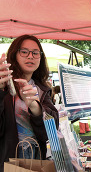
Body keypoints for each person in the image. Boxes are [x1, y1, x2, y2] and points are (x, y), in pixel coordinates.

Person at [0, 35, 59, 171]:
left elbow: (52, 130)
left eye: (35, 52)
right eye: (24, 51)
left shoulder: (42, 89)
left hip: (37, 156)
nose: (30, 56)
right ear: (14, 55)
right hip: (9, 159)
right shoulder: (5, 86)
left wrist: (36, 107)